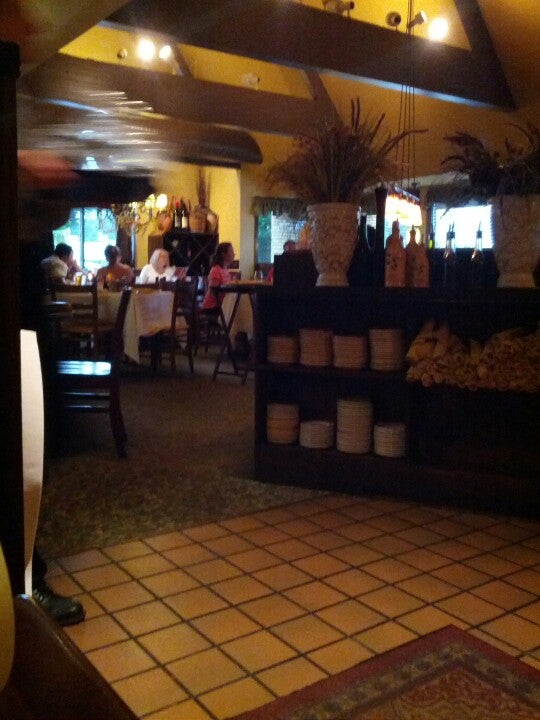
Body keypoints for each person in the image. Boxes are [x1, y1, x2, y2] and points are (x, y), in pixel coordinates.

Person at [201, 242, 235, 311]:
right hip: (212, 306)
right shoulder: (216, 270)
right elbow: (213, 291)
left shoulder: (225, 270)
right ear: (223, 254)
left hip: (222, 304)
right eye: (231, 251)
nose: (233, 254)